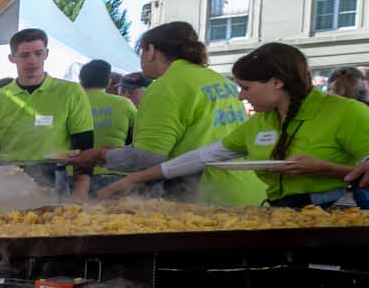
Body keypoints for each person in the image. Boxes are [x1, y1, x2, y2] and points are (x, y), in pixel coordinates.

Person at [101, 43, 369, 209]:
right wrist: (134, 178)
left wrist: (325, 169)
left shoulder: (347, 113)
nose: (241, 96)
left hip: (331, 214)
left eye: (246, 87)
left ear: (277, 82)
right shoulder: (263, 121)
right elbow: (203, 156)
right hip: (279, 214)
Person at [72, 22, 262, 206]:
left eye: (141, 52)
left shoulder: (167, 86)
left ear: (151, 51)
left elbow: (146, 157)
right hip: (247, 189)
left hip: (204, 197)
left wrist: (100, 154)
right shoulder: (221, 81)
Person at [0, 28, 95, 198]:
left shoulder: (71, 92)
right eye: (24, 55)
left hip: (55, 178)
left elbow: (84, 148)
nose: (32, 61)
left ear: (46, 54)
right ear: (12, 58)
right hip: (7, 179)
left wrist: (81, 190)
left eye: (38, 53)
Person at [80, 58, 137, 187]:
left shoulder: (72, 103)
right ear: (109, 81)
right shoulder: (125, 104)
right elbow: (140, 136)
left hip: (76, 172)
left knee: (71, 207)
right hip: (114, 172)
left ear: (81, 80)